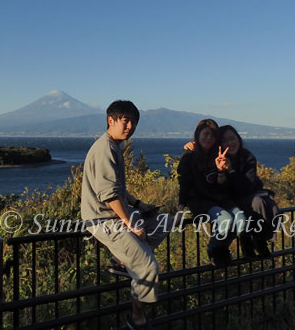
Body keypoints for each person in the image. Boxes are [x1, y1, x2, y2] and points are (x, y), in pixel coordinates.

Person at [81, 100, 169, 330]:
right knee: (149, 267)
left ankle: (122, 260)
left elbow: (118, 189)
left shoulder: (112, 147)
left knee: (164, 222)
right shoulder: (105, 150)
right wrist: (130, 224)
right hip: (103, 220)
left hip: (115, 216)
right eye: (125, 120)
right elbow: (109, 196)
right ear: (111, 120)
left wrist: (140, 204)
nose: (130, 126)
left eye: (134, 121)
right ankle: (136, 318)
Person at [177, 119, 246, 267]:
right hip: (201, 201)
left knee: (241, 221)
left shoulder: (218, 156)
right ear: (198, 134)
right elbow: (184, 183)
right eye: (205, 134)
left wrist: (221, 170)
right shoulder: (189, 156)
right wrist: (180, 209)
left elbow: (220, 185)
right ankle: (213, 249)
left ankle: (222, 248)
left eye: (213, 135)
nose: (209, 138)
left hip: (219, 199)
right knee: (226, 221)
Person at [215, 125, 279, 258]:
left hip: (247, 193)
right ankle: (250, 240)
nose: (230, 143)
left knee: (272, 207)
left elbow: (245, 188)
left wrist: (231, 171)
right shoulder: (216, 160)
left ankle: (258, 239)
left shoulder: (247, 157)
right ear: (219, 144)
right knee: (258, 203)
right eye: (224, 140)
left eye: (232, 138)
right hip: (229, 200)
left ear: (238, 138)